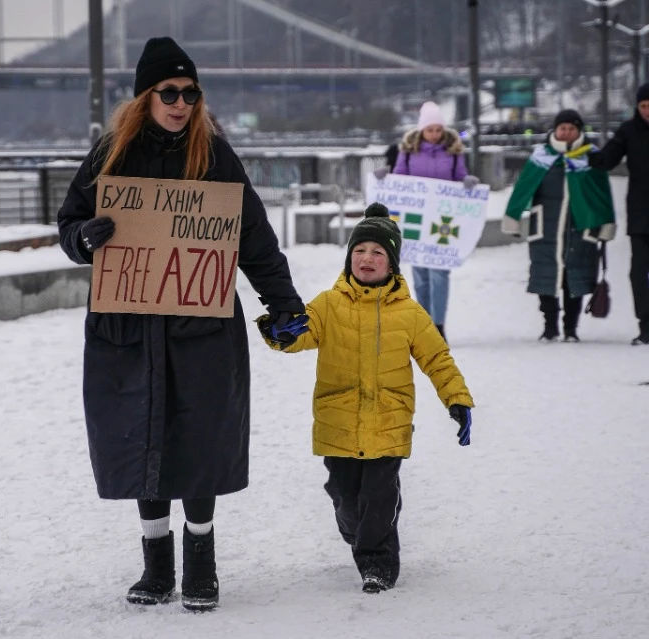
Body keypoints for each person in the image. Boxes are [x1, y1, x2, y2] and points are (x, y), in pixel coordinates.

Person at [56, 36, 308, 611]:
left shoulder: (215, 156)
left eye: (190, 92)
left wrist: (284, 303)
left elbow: (254, 239)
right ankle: (155, 564)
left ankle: (201, 562)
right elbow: (70, 222)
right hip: (129, 327)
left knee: (197, 440)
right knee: (142, 435)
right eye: (169, 92)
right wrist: (82, 238)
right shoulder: (109, 154)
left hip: (201, 327)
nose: (180, 102)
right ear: (145, 96)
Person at [255, 202, 474, 594]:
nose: (367, 258)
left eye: (377, 252)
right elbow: (301, 334)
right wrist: (280, 332)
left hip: (388, 423)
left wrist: (456, 398)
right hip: (337, 423)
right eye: (359, 251)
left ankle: (378, 563)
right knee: (346, 499)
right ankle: (359, 530)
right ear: (348, 259)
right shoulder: (328, 304)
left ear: (392, 264)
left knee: (378, 498)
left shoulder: (410, 313)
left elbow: (437, 359)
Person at [502, 109, 616, 342]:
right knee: (547, 278)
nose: (567, 133)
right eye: (563, 128)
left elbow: (602, 193)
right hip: (546, 228)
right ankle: (550, 326)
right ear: (555, 130)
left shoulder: (592, 157)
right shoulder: (541, 156)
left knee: (576, 279)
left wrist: (606, 223)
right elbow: (523, 188)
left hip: (581, 227)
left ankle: (571, 328)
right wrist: (513, 217)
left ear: (579, 131)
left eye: (572, 129)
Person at [374, 101, 479, 340]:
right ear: (422, 130)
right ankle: (425, 323)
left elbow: (459, 176)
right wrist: (385, 178)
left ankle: (438, 325)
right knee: (421, 274)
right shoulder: (408, 150)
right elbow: (400, 180)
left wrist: (468, 181)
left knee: (439, 273)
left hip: (442, 220)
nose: (434, 134)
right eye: (430, 129)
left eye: (438, 130)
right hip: (416, 221)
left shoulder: (453, 151)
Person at [588, 83, 649, 345]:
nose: (648, 111)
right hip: (641, 214)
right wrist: (594, 158)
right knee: (639, 272)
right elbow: (609, 158)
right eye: (643, 106)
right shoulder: (629, 131)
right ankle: (646, 325)